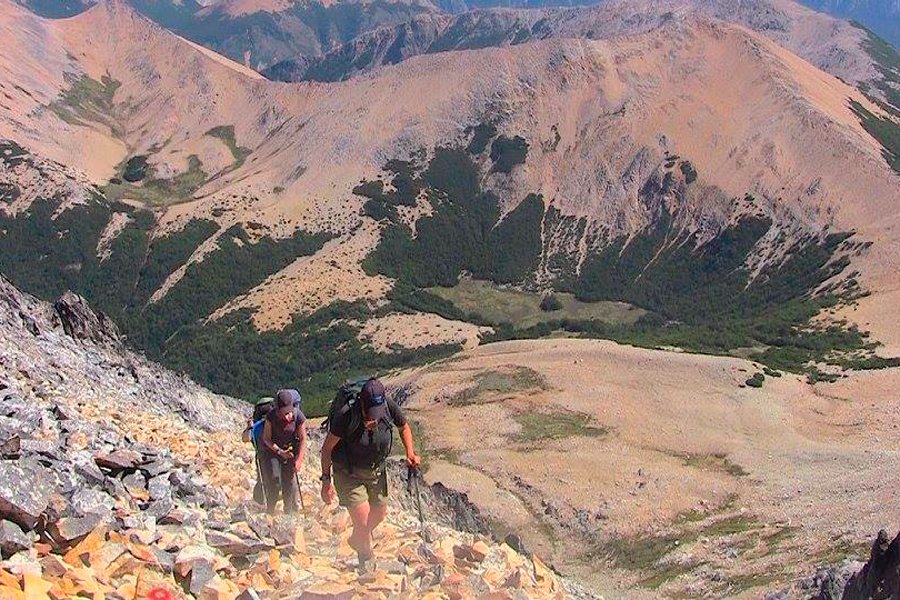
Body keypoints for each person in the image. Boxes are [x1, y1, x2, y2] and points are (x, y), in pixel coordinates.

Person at [320, 378, 420, 571]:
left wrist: (410, 452)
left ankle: (357, 539)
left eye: (377, 413)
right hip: (348, 473)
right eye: (370, 414)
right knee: (364, 521)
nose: (374, 418)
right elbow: (327, 449)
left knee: (379, 514)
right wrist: (326, 481)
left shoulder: (387, 405)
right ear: (362, 404)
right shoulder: (347, 415)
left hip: (376, 471)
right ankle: (367, 567)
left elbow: (404, 427)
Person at [260, 389, 307, 514]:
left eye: (289, 412)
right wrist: (280, 452)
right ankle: (270, 509)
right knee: (274, 479)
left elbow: (303, 439)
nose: (288, 416)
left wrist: (299, 460)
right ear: (278, 410)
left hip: (290, 451)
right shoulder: (271, 417)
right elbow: (266, 439)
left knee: (289, 482)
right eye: (284, 413)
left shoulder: (298, 416)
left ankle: (288, 512)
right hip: (273, 451)